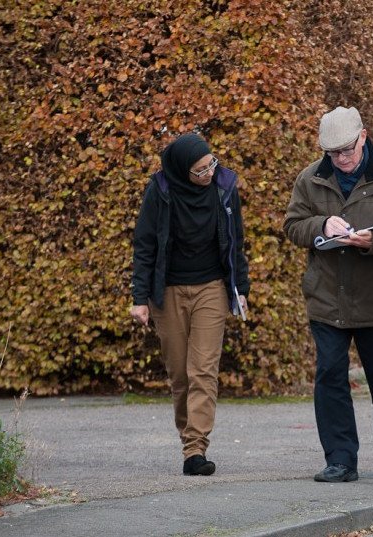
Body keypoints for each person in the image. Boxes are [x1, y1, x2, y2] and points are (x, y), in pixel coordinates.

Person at [284, 106, 373, 483]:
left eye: (347, 149)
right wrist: (321, 224)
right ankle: (341, 460)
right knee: (330, 376)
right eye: (332, 152)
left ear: (363, 136)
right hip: (327, 297)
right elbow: (293, 226)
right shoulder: (309, 179)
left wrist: (372, 240)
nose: (341, 158)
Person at [131, 133, 249, 476]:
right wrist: (140, 298)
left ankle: (195, 449)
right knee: (180, 373)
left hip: (211, 287)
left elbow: (236, 241)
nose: (209, 172)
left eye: (211, 163)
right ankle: (189, 438)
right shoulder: (160, 190)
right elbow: (145, 244)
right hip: (167, 292)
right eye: (200, 170)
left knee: (203, 370)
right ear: (183, 170)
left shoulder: (224, 188)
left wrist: (239, 287)